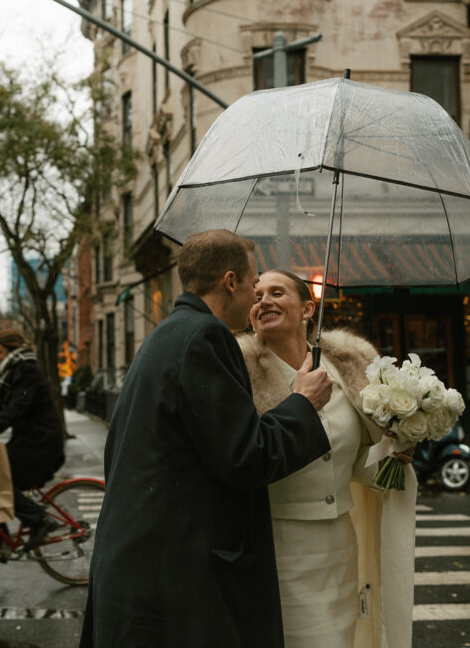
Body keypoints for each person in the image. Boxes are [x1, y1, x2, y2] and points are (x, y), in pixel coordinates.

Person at [80, 229, 335, 648]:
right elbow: (246, 456)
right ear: (230, 281)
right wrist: (302, 404)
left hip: (146, 566)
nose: (257, 296)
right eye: (254, 284)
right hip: (176, 578)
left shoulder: (167, 334)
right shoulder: (204, 337)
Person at [238, 269, 416, 647]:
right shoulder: (241, 375)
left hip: (340, 544)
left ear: (307, 309)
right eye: (256, 296)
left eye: (276, 292)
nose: (263, 300)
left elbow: (353, 467)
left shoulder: (345, 369)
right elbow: (242, 456)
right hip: (277, 546)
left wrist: (395, 459)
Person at [0, 328, 65, 557]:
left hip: (41, 443)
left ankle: (40, 521)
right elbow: (1, 411)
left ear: (12, 351)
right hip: (28, 441)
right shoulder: (12, 372)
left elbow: (15, 410)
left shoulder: (26, 370)